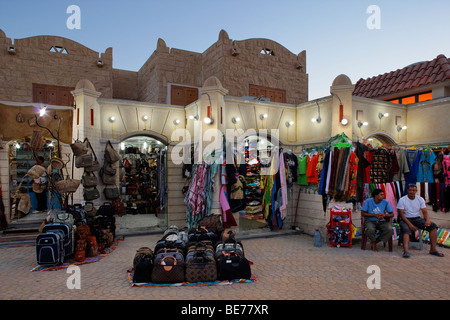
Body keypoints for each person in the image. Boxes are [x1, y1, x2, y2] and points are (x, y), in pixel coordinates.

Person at [397, 184, 444, 258]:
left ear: (416, 191)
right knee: (406, 229)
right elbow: (401, 214)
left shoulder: (420, 199)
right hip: (406, 219)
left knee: (433, 227)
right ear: (407, 190)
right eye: (410, 190)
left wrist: (428, 220)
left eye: (414, 190)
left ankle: (433, 250)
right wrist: (410, 224)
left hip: (417, 218)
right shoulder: (402, 200)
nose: (412, 192)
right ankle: (406, 251)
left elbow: (424, 212)